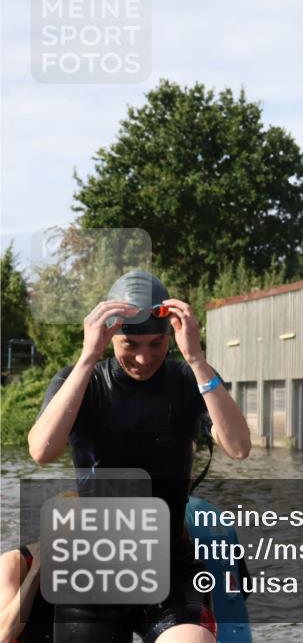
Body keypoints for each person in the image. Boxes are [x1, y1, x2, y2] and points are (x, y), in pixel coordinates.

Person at [27, 270, 251, 643]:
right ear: (111, 335)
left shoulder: (188, 380)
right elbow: (41, 451)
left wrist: (196, 358)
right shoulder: (82, 380)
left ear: (170, 338)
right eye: (130, 344)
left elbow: (240, 447)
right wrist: (87, 357)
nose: (144, 358)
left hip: (169, 566)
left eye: (157, 344)